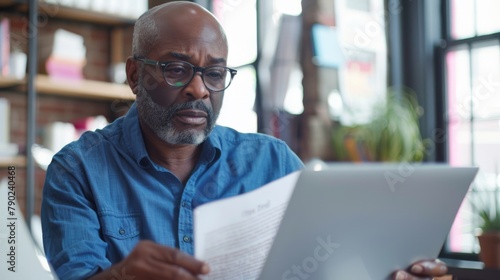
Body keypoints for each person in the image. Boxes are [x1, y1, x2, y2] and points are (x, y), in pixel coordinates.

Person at [41, 2, 448, 280]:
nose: (198, 90)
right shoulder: (77, 170)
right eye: (176, 69)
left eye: (215, 74)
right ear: (134, 75)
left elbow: (327, 266)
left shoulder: (273, 164)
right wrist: (122, 275)